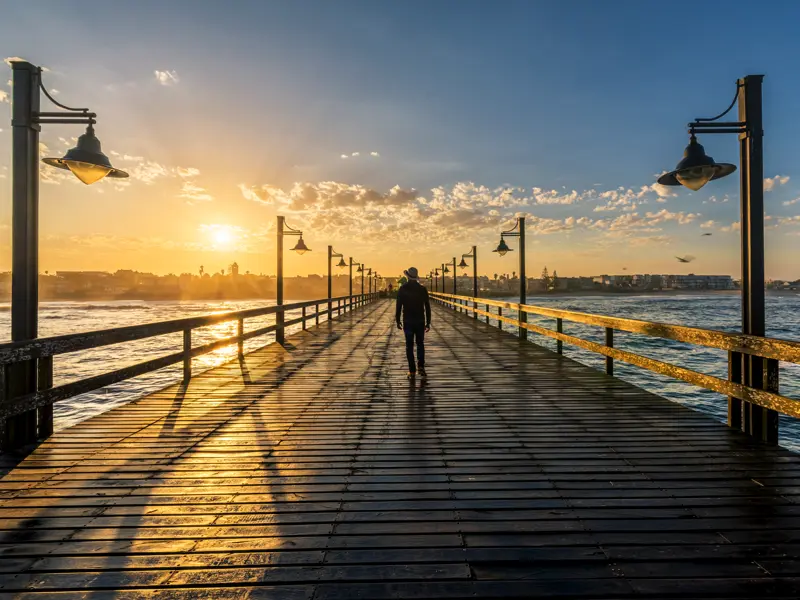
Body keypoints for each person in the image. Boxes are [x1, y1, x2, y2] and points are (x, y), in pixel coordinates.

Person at [396, 267, 431, 378]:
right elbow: (427, 306)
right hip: (420, 320)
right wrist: (428, 322)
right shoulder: (422, 289)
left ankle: (412, 371)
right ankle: (421, 367)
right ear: (416, 277)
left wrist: (397, 320)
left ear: (407, 276)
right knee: (420, 344)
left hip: (408, 320)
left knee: (409, 345)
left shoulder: (403, 289)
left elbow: (399, 306)